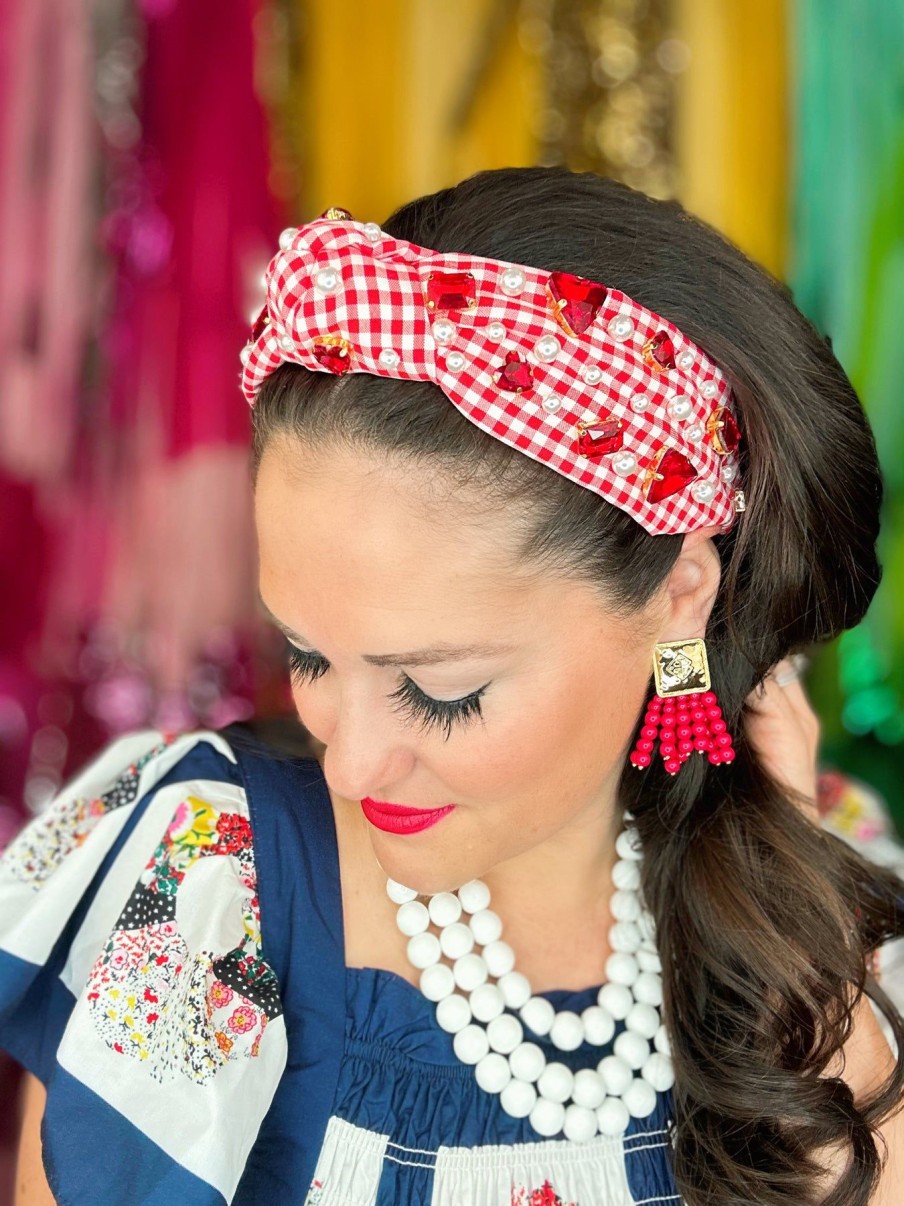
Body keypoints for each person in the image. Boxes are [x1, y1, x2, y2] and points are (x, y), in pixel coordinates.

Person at [4, 166, 904, 1206]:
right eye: (307, 656)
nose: (349, 760)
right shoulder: (210, 880)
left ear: (678, 599)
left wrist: (801, 962)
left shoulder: (823, 881)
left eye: (441, 692)